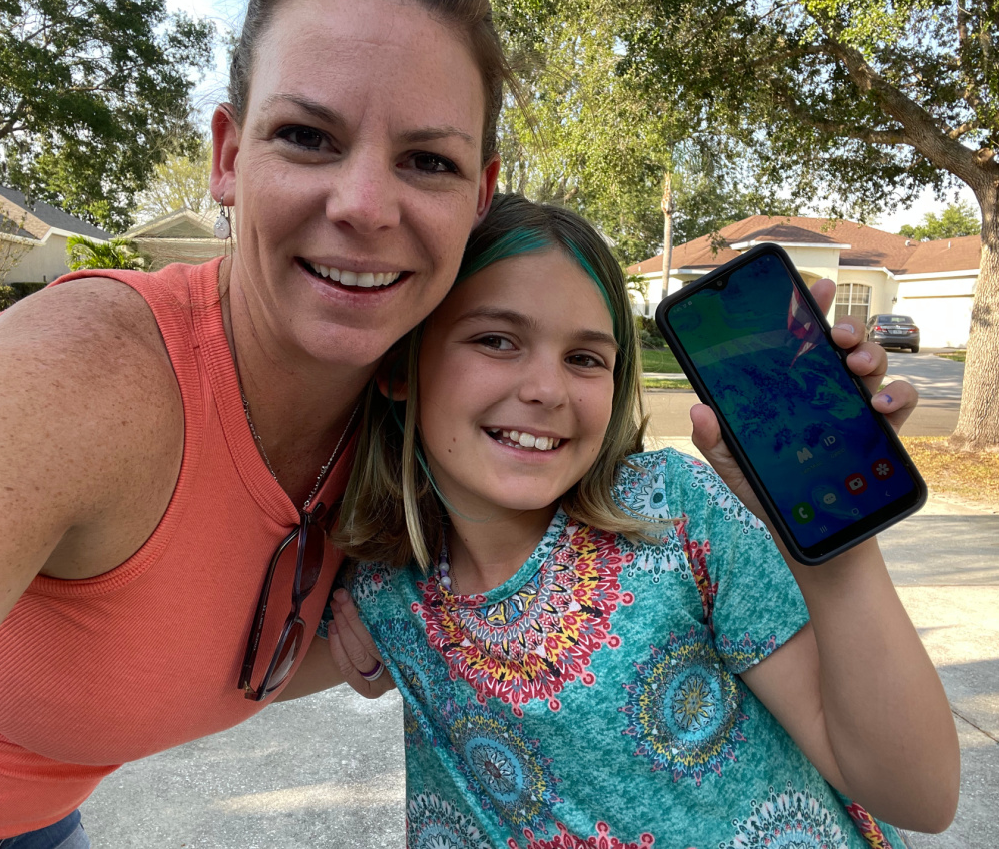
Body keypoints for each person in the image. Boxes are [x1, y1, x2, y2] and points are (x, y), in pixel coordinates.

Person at [0, 0, 509, 844]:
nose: (363, 204)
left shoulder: (435, 425)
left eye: (427, 160)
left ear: (480, 197)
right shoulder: (77, 380)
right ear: (229, 158)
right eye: (308, 137)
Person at [327, 193, 960, 848]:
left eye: (585, 358)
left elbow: (919, 793)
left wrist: (840, 560)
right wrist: (389, 668)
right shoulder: (380, 588)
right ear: (401, 366)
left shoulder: (671, 514)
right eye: (496, 340)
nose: (548, 388)